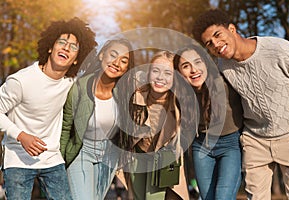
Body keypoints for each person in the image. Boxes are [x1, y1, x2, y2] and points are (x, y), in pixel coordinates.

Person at [192, 8, 289, 200]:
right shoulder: (221, 67)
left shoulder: (279, 50)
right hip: (255, 139)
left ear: (232, 29)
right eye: (209, 43)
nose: (216, 44)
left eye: (218, 35)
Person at [0, 17, 97, 200]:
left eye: (73, 47)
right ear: (51, 47)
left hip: (52, 158)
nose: (66, 48)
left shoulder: (70, 84)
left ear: (77, 59)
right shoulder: (21, 81)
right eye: (62, 42)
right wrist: (22, 136)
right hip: (17, 158)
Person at [60, 38, 134, 200]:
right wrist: (59, 162)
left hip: (109, 155)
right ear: (101, 55)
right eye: (113, 55)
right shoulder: (79, 87)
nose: (117, 63)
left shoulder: (126, 94)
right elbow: (66, 127)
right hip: (81, 151)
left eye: (124, 61)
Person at [173, 44, 243, 200]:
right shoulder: (180, 94)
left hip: (231, 145)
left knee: (223, 197)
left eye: (198, 62)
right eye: (186, 66)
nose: (194, 69)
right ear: (179, 72)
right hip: (201, 147)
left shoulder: (225, 82)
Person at [127, 50, 189, 200]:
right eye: (156, 71)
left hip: (162, 159)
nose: (160, 77)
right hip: (138, 156)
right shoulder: (137, 94)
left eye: (168, 73)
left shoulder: (180, 102)